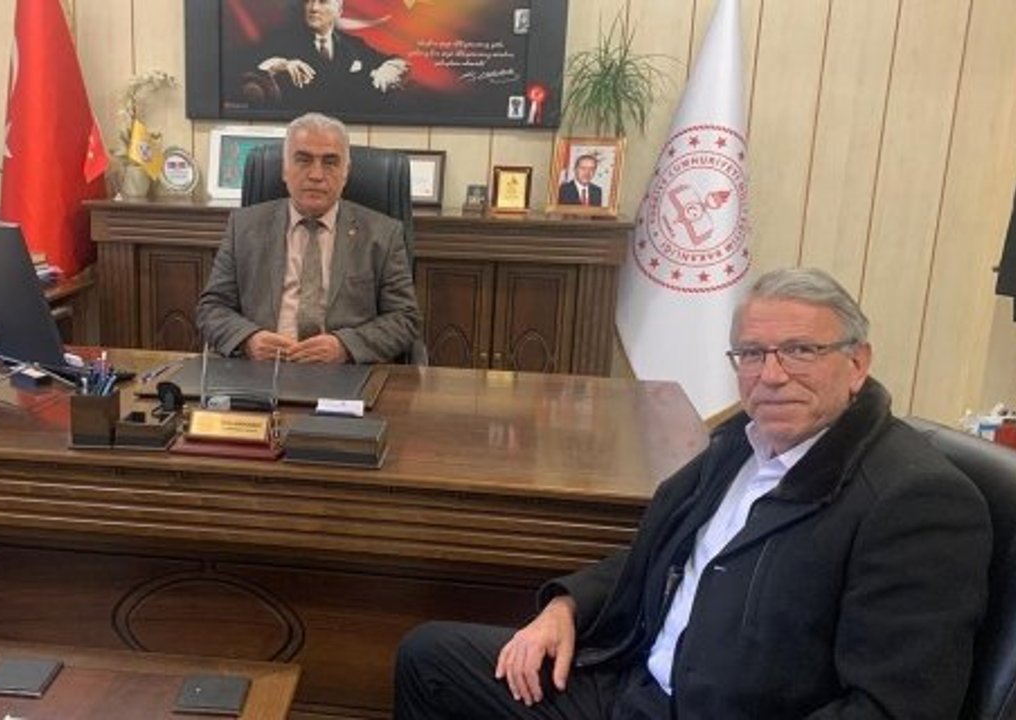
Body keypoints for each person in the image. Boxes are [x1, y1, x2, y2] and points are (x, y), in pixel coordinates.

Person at [394, 267, 991, 718]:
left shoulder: (916, 502)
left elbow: (893, 709)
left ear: (857, 363)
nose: (772, 374)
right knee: (430, 661)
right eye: (752, 354)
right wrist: (565, 608)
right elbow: (662, 551)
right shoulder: (741, 444)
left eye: (801, 351)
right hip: (635, 688)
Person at [196, 112, 421, 365]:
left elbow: (405, 318)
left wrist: (346, 347)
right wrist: (248, 339)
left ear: (346, 172)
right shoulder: (244, 227)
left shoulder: (383, 234)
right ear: (285, 169)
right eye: (303, 160)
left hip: (345, 371)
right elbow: (211, 308)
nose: (316, 174)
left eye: (330, 162)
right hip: (262, 368)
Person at [252, 0, 408, 109]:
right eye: (309, 1)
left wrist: (388, 69)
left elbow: (397, 61)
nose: (313, 8)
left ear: (339, 10)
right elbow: (253, 68)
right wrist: (284, 65)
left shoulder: (353, 44)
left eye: (323, 1)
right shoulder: (281, 39)